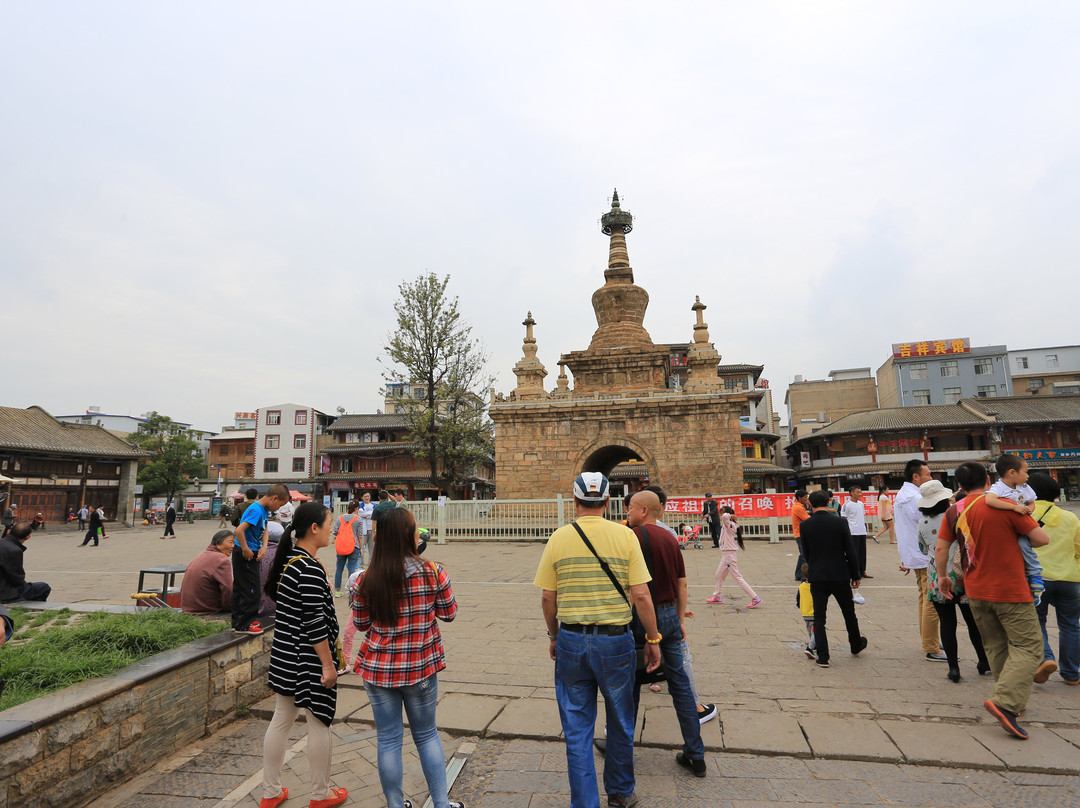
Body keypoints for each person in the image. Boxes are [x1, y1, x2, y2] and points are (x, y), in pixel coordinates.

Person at [534, 472, 660, 808]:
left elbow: (547, 597)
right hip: (615, 642)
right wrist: (653, 638)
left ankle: (585, 802)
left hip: (571, 640)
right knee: (620, 719)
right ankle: (620, 792)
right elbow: (641, 595)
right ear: (607, 501)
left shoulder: (559, 538)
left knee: (577, 728)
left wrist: (554, 635)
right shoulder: (625, 536)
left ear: (575, 501)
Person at [352, 507, 462, 808]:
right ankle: (441, 804)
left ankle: (395, 805)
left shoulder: (365, 579)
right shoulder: (433, 572)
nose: (419, 533)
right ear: (408, 536)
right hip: (420, 668)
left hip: (378, 670)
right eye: (415, 529)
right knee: (426, 735)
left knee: (388, 739)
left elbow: (361, 624)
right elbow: (449, 613)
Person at [936, 461, 1048, 740]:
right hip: (1010, 589)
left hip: (975, 590)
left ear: (959, 485)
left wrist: (942, 577)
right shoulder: (1008, 506)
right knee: (1029, 646)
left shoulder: (954, 510)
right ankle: (1006, 704)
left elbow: (941, 547)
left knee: (996, 645)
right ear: (988, 480)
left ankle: (1012, 699)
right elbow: (1040, 539)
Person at [261, 502, 347, 808]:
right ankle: (320, 794)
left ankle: (270, 791)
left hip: (285, 655)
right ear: (314, 528)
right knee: (319, 722)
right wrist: (328, 665)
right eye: (329, 524)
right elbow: (314, 622)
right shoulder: (307, 567)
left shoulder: (290, 561)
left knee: (281, 719)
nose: (332, 530)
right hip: (307, 658)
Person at [625, 490, 706, 777]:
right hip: (670, 614)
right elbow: (682, 583)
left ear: (644, 510)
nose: (627, 512)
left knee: (630, 683)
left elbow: (632, 588)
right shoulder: (671, 539)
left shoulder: (631, 536)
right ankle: (696, 754)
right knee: (679, 683)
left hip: (642, 617)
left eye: (631, 507)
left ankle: (621, 748)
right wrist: (680, 618)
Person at [639, 485, 716, 725]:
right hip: (665, 608)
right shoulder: (668, 534)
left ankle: (618, 726)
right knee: (681, 659)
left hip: (635, 610)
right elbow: (680, 581)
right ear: (660, 507)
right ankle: (695, 709)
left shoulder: (627, 533)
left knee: (632, 660)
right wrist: (679, 615)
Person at [919, 480, 990, 683]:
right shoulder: (956, 515)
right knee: (972, 621)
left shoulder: (922, 522)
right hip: (961, 576)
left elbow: (922, 549)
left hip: (937, 576)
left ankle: (953, 668)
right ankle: (983, 661)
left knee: (947, 623)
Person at [800, 490, 867, 668]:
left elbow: (806, 553)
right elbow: (850, 550)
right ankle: (855, 644)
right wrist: (855, 574)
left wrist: (814, 567)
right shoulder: (840, 522)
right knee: (848, 612)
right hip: (840, 574)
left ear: (810, 504)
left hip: (817, 576)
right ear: (828, 503)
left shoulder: (805, 525)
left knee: (819, 617)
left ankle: (823, 656)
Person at [1027, 473, 1080, 686]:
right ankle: (1071, 674)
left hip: (1036, 579)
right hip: (1070, 579)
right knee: (1070, 625)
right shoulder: (1071, 518)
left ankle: (1046, 659)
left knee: (1036, 621)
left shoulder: (1024, 516)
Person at [895, 459, 947, 662]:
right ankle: (931, 647)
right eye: (928, 474)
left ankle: (929, 639)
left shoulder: (903, 495)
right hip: (925, 556)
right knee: (931, 601)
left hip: (914, 554)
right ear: (916, 477)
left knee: (924, 597)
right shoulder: (916, 498)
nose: (930, 477)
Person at [985, 454, 1045, 605]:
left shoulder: (1024, 487)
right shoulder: (998, 487)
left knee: (1024, 547)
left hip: (1021, 527)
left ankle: (1035, 577)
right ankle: (1029, 580)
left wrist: (1029, 509)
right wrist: (1014, 508)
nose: (1027, 476)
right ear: (1012, 472)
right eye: (1025, 472)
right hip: (1007, 529)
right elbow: (989, 500)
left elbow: (1031, 502)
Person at [233, 484, 290, 636]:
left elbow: (265, 529)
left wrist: (264, 546)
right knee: (251, 588)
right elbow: (239, 531)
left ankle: (239, 621)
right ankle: (244, 624)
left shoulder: (263, 510)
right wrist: (245, 548)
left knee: (243, 586)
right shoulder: (256, 510)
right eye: (280, 504)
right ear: (274, 498)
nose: (278, 508)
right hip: (245, 552)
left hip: (253, 549)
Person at [706, 508, 762, 608]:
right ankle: (717, 596)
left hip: (729, 555)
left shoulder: (730, 524)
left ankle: (755, 597)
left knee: (737, 578)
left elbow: (725, 517)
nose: (720, 515)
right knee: (719, 575)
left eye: (721, 513)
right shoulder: (728, 524)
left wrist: (730, 515)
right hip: (726, 555)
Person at [180, 530, 234, 614]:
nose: (233, 546)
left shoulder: (203, 554)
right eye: (230, 542)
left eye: (234, 543)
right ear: (218, 543)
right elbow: (227, 589)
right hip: (205, 608)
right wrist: (230, 608)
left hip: (188, 607)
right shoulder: (222, 559)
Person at [0, 523, 51, 602]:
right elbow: (16, 578)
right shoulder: (14, 550)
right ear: (28, 537)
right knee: (44, 587)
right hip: (5, 592)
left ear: (8, 531)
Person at [330, 502, 362, 597]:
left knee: (339, 568)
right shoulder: (358, 519)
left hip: (341, 547)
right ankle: (351, 591)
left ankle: (338, 591)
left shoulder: (340, 518)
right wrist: (361, 548)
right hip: (354, 546)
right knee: (351, 568)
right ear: (356, 508)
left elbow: (335, 532)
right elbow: (360, 535)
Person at [841, 487, 872, 578]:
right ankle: (855, 571)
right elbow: (844, 518)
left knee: (862, 552)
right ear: (852, 493)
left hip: (861, 531)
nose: (860, 494)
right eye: (858, 492)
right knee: (854, 553)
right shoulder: (847, 505)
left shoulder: (861, 504)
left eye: (860, 492)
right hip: (852, 532)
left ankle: (863, 571)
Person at [796, 564, 816, 658]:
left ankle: (814, 645)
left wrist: (799, 606)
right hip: (814, 612)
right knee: (816, 630)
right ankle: (810, 647)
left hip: (805, 612)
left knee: (809, 629)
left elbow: (798, 599)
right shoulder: (815, 586)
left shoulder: (801, 586)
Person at [791, 490, 810, 582]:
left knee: (802, 554)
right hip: (800, 534)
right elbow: (807, 519)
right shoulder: (798, 507)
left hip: (800, 533)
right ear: (799, 498)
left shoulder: (799, 506)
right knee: (804, 555)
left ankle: (798, 574)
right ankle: (803, 576)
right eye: (805, 497)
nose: (807, 499)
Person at [358, 491, 375, 561]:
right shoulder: (360, 506)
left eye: (368, 496)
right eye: (365, 496)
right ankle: (360, 564)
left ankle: (371, 563)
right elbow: (362, 514)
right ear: (362, 497)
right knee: (361, 547)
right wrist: (371, 514)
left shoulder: (374, 505)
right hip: (363, 529)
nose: (367, 498)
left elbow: (375, 515)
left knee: (372, 548)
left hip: (372, 529)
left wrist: (367, 514)